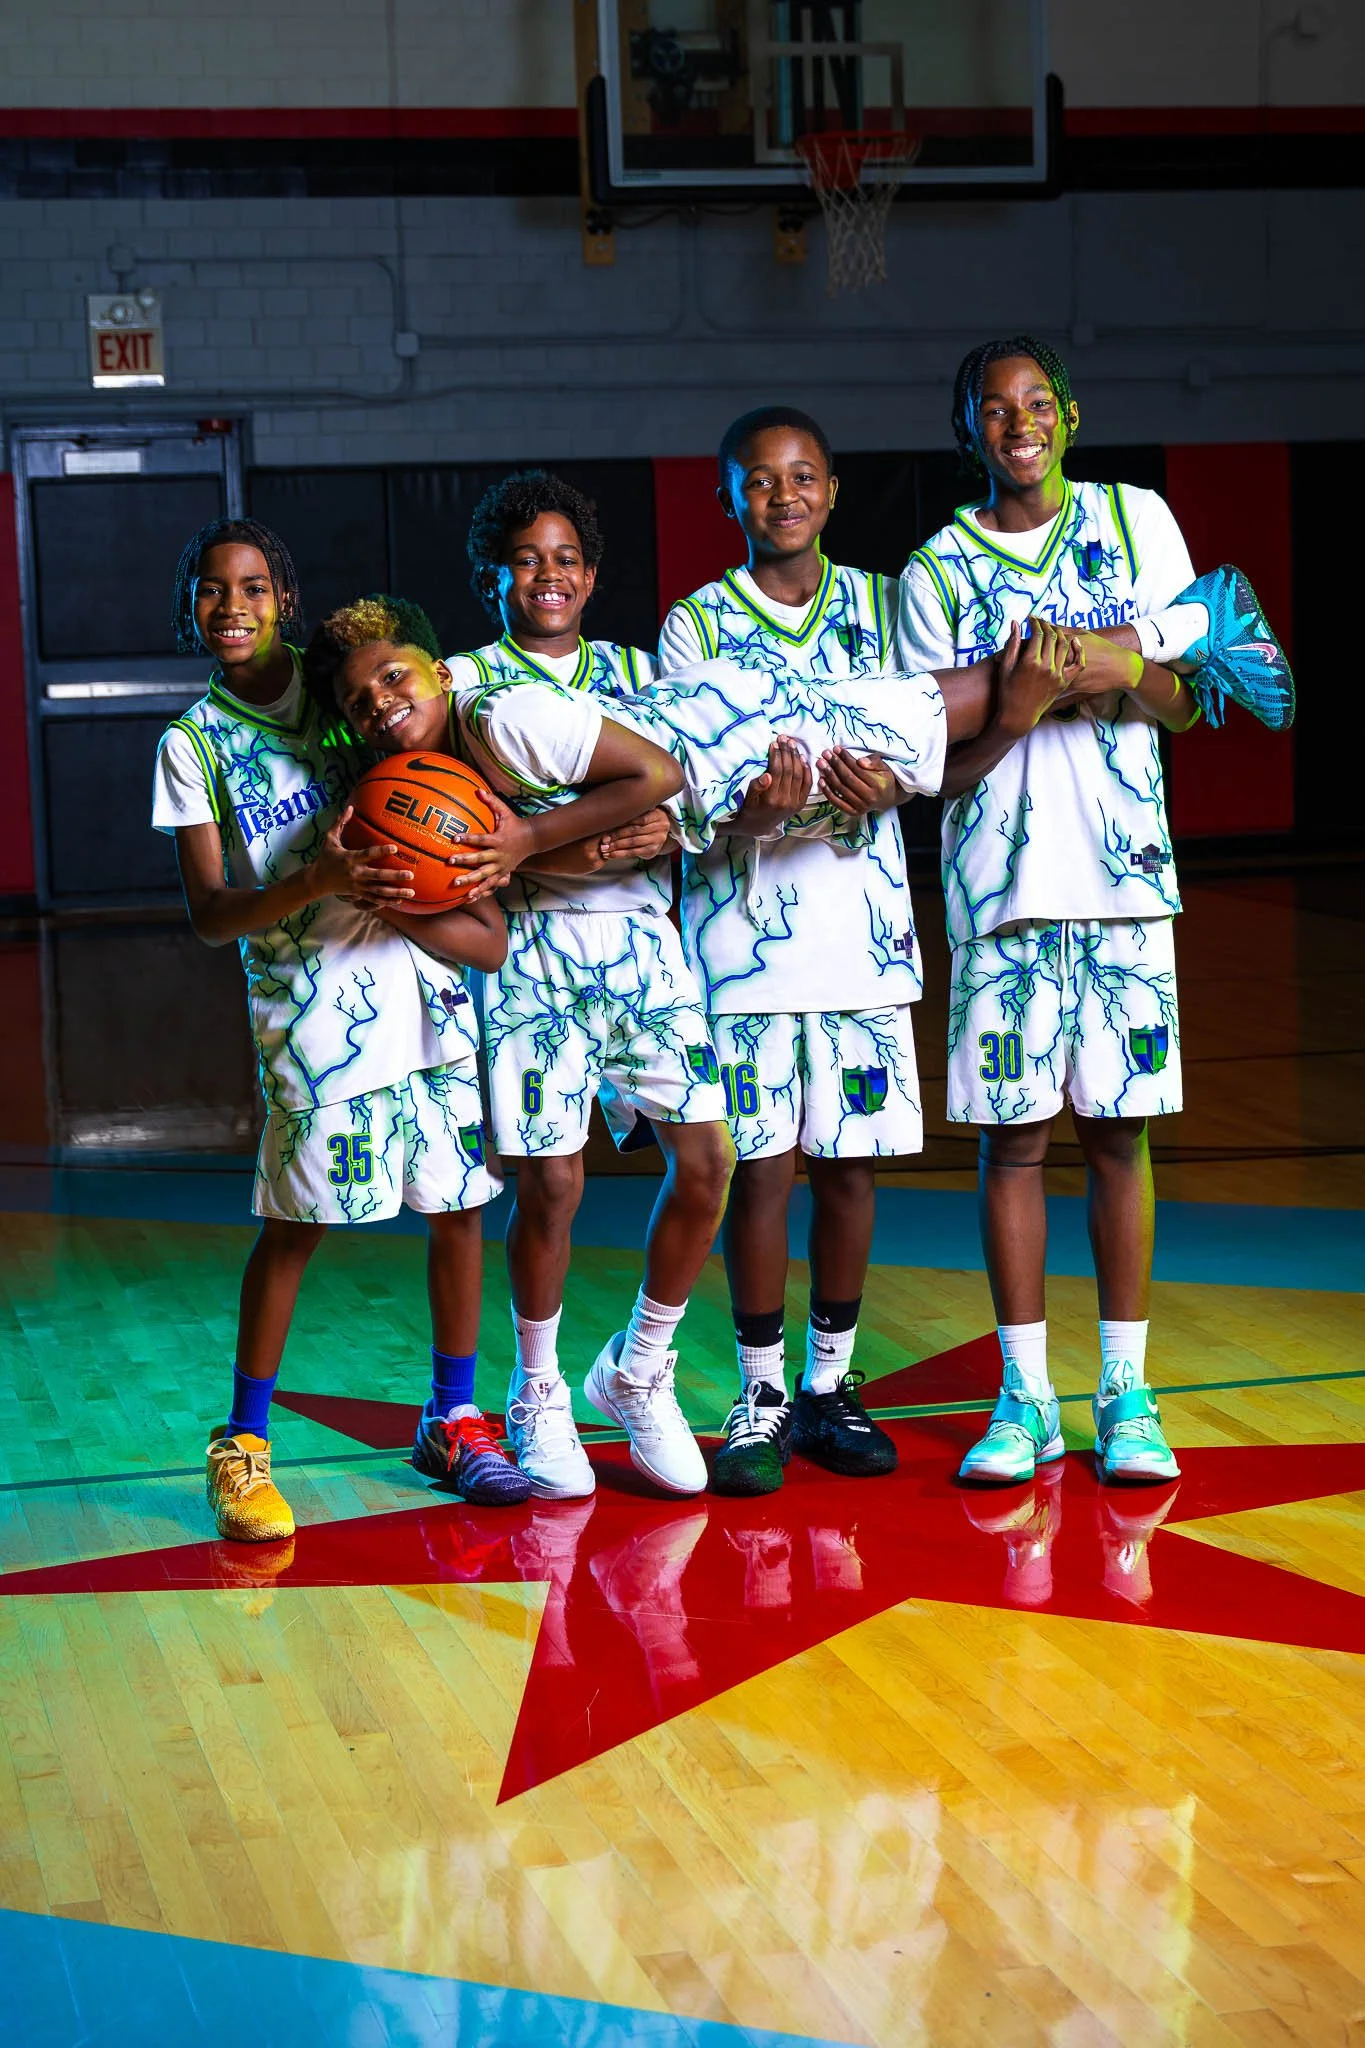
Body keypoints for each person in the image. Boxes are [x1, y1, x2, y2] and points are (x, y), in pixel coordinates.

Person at [303, 518, 1093, 1499]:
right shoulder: (421, 765)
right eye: (359, 699)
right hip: (555, 949)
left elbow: (658, 788)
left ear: (435, 667)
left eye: (393, 679)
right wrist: (411, 882)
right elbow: (499, 923)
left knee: (938, 700)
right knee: (551, 1184)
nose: (383, 704)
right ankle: (540, 1395)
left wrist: (532, 843)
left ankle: (639, 1368)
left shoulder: (503, 712)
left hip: (689, 827)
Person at [152, 518, 528, 1543]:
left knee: (457, 1206)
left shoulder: (346, 696)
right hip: (312, 1007)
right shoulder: (192, 741)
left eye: (255, 586)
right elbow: (207, 910)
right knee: (295, 1224)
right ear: (189, 604)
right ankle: (243, 1444)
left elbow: (426, 786)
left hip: (424, 983)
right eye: (212, 589)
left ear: (286, 597)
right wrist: (315, 876)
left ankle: (453, 1417)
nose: (234, 606)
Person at [897, 335, 1214, 1487]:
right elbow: (933, 776)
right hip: (1003, 897)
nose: (1017, 421)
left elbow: (1186, 705)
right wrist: (1023, 706)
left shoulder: (1140, 523)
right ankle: (1023, 1393)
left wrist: (1117, 669)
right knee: (1015, 1142)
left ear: (1070, 413)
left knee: (1119, 1136)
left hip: (1126, 883)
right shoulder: (932, 573)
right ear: (969, 429)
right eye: (993, 407)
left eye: (1037, 402)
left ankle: (1127, 1390)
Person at [656, 405, 925, 1495]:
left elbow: (922, 736)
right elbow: (686, 786)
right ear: (730, 499)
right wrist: (751, 813)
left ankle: (830, 1383)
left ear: (832, 488)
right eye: (759, 481)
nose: (783, 495)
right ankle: (762, 1391)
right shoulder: (694, 627)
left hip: (861, 932)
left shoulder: (886, 604)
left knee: (850, 1167)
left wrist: (896, 779)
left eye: (802, 475)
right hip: (741, 946)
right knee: (759, 1169)